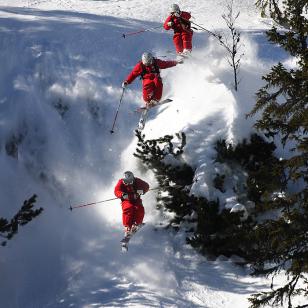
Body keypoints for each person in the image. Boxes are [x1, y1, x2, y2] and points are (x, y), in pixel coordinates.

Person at [114, 171, 150, 235]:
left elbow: (146, 186)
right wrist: (122, 194)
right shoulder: (120, 182)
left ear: (133, 179)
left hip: (136, 199)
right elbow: (116, 191)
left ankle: (137, 223)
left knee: (139, 209)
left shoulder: (137, 181)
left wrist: (140, 191)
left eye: (130, 182)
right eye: (126, 183)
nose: (128, 184)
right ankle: (127, 226)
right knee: (128, 208)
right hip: (126, 200)